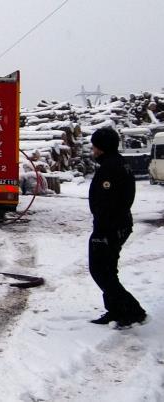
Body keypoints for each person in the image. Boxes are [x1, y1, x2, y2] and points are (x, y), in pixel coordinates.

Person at [87, 127, 146, 328]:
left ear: (102, 147)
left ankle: (132, 310)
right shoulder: (117, 163)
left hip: (110, 228)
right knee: (107, 270)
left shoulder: (111, 168)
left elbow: (110, 203)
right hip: (115, 225)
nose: (92, 149)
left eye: (95, 145)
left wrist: (102, 232)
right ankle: (117, 310)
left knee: (100, 270)